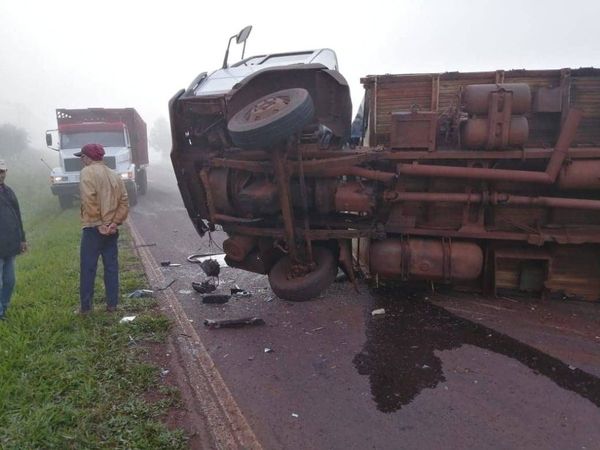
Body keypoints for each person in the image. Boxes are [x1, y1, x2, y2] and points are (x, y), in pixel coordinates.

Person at [76, 143, 129, 314]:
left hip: (93, 228)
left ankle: (86, 308)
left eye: (82, 157)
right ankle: (112, 305)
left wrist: (99, 224)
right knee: (111, 267)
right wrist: (114, 223)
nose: (82, 160)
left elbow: (88, 200)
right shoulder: (114, 174)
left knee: (88, 268)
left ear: (87, 157)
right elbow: (124, 202)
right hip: (112, 229)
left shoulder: (87, 172)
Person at [0, 159, 27, 320]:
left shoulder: (9, 191)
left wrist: (22, 239)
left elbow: (18, 216)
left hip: (10, 244)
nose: (0, 175)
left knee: (10, 281)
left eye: (2, 171)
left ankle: (3, 307)